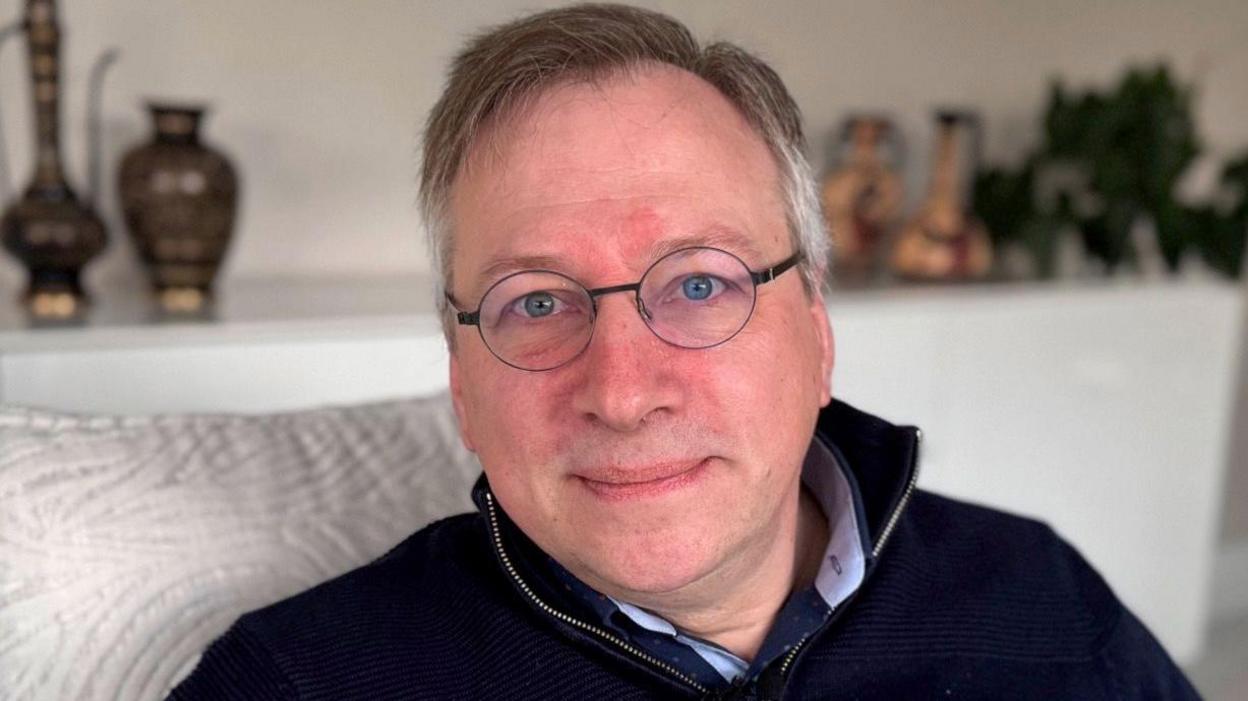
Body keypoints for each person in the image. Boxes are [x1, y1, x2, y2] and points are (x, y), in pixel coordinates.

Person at [169, 4, 1197, 699]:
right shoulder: (299, 679)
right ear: (461, 382)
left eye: (700, 283)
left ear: (816, 328)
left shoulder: (1046, 604)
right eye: (536, 302)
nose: (621, 391)